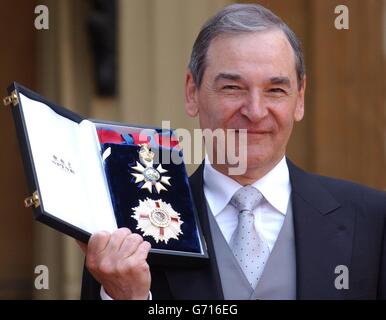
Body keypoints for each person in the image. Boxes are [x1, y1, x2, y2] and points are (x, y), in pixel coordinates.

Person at [79, 3, 386, 300]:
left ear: (300, 98)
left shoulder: (372, 221)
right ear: (192, 92)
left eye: (275, 90)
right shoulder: (127, 231)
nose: (254, 111)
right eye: (232, 88)